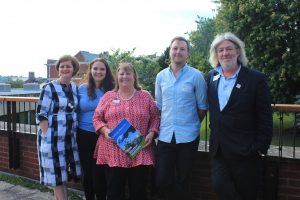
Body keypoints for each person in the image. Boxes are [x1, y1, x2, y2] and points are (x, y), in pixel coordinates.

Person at [207, 32, 273, 200]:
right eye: (220, 50)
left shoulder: (255, 78)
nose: (225, 53)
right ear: (216, 54)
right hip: (219, 150)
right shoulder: (212, 77)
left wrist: (259, 148)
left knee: (247, 193)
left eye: (229, 48)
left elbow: (265, 117)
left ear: (237, 51)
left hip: (246, 152)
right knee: (219, 185)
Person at [93, 63, 160, 200]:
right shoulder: (108, 96)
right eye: (121, 74)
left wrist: (152, 133)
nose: (125, 76)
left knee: (138, 191)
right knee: (114, 192)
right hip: (113, 151)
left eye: (128, 73)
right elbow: (97, 118)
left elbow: (155, 118)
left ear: (134, 76)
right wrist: (105, 131)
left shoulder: (146, 97)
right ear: (117, 77)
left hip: (140, 150)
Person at [155, 36, 208, 199]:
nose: (178, 51)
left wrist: (191, 124)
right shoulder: (161, 76)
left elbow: (202, 107)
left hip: (188, 136)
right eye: (175, 48)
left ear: (188, 54)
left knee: (183, 179)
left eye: (182, 49)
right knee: (162, 178)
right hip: (165, 135)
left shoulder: (196, 76)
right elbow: (159, 107)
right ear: (170, 52)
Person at [36, 55, 81, 200]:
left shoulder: (74, 87)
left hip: (69, 137)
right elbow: (41, 114)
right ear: (58, 69)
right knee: (57, 176)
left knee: (63, 174)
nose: (65, 68)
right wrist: (47, 134)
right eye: (62, 66)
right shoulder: (49, 87)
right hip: (53, 137)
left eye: (68, 66)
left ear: (74, 69)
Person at [77, 58, 115, 200]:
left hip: (104, 135)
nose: (98, 72)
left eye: (102, 69)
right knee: (87, 171)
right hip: (84, 134)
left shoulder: (112, 89)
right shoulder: (81, 88)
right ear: (90, 70)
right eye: (96, 69)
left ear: (106, 72)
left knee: (100, 172)